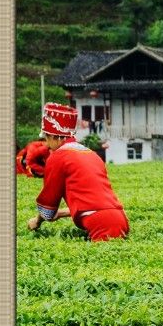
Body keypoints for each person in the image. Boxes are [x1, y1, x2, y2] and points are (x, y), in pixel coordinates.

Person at [26, 103, 129, 242]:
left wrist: (37, 221)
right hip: (120, 218)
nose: (47, 144)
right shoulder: (91, 154)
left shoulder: (58, 156)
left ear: (54, 136)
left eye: (46, 138)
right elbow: (95, 204)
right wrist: (60, 213)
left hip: (100, 223)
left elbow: (49, 205)